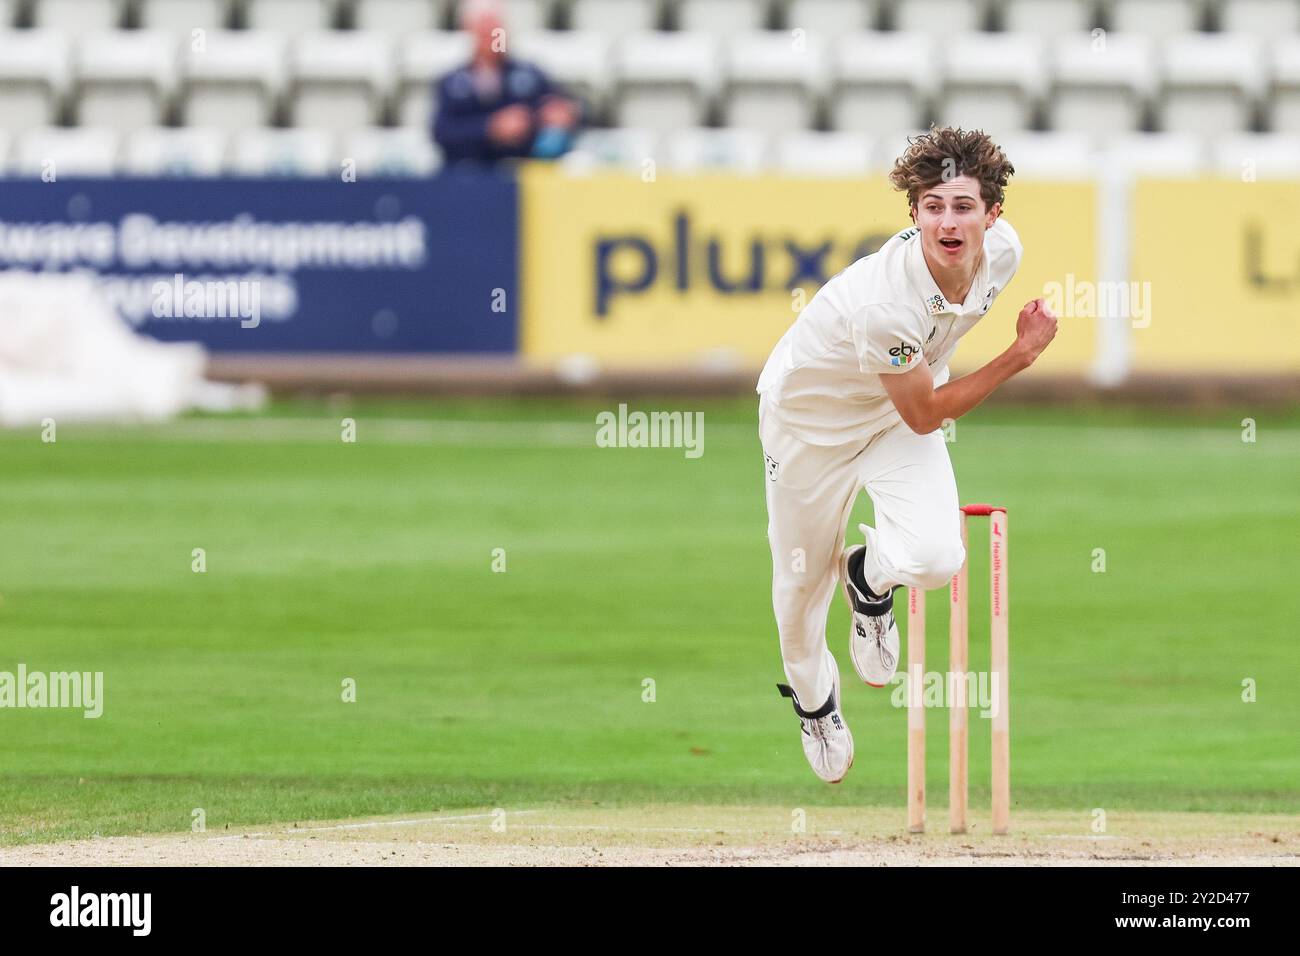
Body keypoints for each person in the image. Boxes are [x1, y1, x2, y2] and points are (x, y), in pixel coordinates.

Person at [757, 127, 1059, 783]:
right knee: (798, 600)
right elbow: (926, 412)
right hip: (809, 429)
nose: (947, 222)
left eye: (962, 206)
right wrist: (1019, 356)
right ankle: (815, 704)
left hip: (894, 415)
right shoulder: (884, 305)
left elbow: (916, 404)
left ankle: (869, 576)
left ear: (992, 214)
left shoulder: (1003, 255)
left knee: (937, 557)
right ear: (914, 213)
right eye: (933, 207)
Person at [432, 0, 583, 165]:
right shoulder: (451, 82)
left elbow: (563, 108)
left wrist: (564, 113)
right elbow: (441, 132)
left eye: (496, 32)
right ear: (470, 32)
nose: (491, 39)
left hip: (523, 169)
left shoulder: (530, 75)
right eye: (484, 32)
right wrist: (490, 128)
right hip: (468, 173)